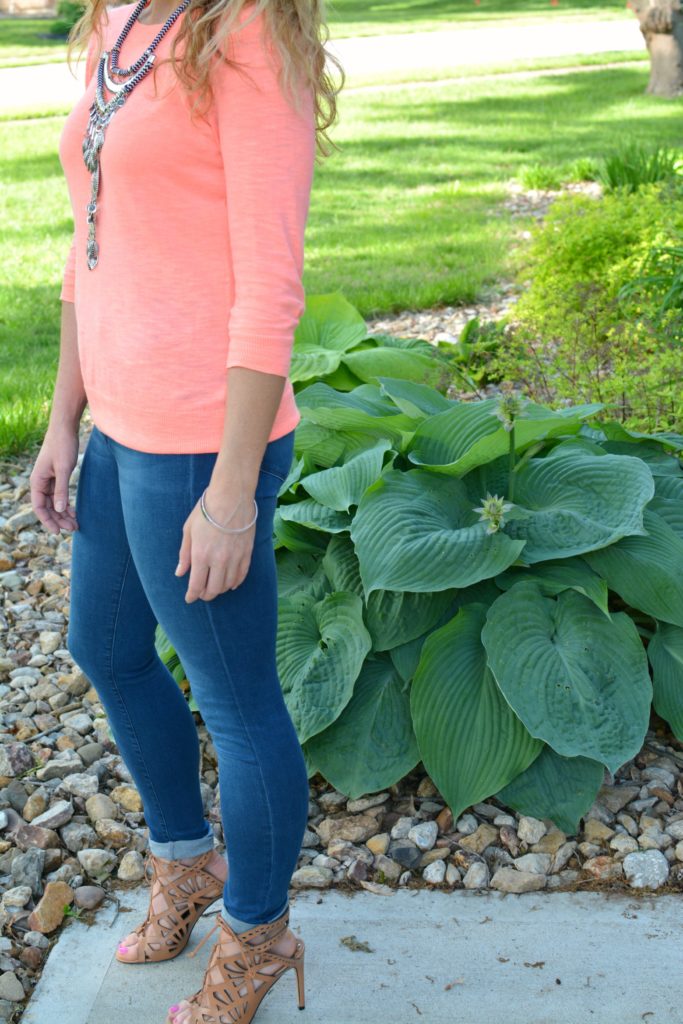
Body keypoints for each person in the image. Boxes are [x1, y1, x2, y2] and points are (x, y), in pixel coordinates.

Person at [29, 1, 342, 1021]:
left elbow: (271, 285)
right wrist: (63, 418)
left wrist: (232, 493)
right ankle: (186, 862)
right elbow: (91, 240)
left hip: (206, 435)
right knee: (106, 647)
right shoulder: (118, 18)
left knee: (237, 701)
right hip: (120, 424)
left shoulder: (247, 29)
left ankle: (256, 934)